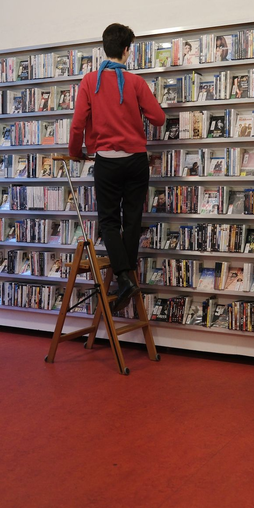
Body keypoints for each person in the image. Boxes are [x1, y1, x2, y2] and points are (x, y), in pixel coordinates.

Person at [70, 22, 166, 310]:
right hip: (136, 161)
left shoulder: (89, 81)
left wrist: (76, 152)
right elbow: (159, 118)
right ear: (127, 50)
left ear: (105, 48)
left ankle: (124, 278)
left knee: (109, 221)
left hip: (107, 163)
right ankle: (128, 276)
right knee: (132, 220)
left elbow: (77, 125)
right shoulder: (136, 83)